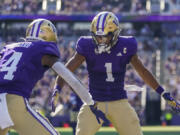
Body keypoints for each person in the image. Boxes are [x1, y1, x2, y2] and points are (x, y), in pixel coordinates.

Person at [52, 11, 180, 135]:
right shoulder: (86, 45)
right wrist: (57, 88)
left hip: (119, 101)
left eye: (104, 36)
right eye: (97, 36)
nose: (100, 40)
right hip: (93, 102)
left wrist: (163, 93)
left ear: (115, 34)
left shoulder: (127, 45)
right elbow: (66, 71)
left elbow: (143, 71)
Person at [0, 18, 106, 135]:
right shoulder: (42, 49)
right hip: (14, 102)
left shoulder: (8, 48)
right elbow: (69, 77)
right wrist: (90, 102)